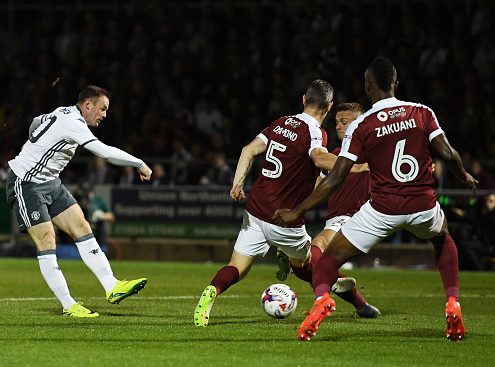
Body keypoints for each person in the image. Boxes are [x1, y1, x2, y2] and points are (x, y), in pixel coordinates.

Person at [273, 57, 478, 342]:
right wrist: (463, 176)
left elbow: (334, 178)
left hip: (382, 209)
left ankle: (322, 300)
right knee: (443, 238)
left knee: (329, 258)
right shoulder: (422, 112)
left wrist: (297, 211)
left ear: (368, 86)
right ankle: (453, 302)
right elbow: (450, 154)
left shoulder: (363, 125)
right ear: (396, 84)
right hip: (423, 204)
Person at [193, 80, 369, 327]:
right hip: (283, 218)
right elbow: (319, 159)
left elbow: (248, 150)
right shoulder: (316, 132)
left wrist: (237, 184)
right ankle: (329, 284)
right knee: (308, 264)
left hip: (255, 210)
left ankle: (211, 291)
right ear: (329, 107)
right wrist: (357, 166)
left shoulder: (281, 123)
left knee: (237, 267)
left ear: (304, 100)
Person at [6, 85, 152, 317]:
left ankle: (112, 286)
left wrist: (31, 141)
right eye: (102, 109)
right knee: (47, 240)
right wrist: (139, 162)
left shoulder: (62, 112)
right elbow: (103, 152)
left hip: (50, 182)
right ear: (88, 105)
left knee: (82, 227)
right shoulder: (73, 123)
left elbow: (36, 121)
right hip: (26, 182)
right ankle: (68, 305)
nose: (104, 114)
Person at [276, 102, 379, 318]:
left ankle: (321, 303)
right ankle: (361, 305)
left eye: (344, 122)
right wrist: (295, 209)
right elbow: (317, 189)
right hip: (335, 220)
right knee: (303, 267)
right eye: (337, 122)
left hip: (357, 218)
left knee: (318, 245)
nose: (339, 127)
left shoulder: (371, 151)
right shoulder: (335, 155)